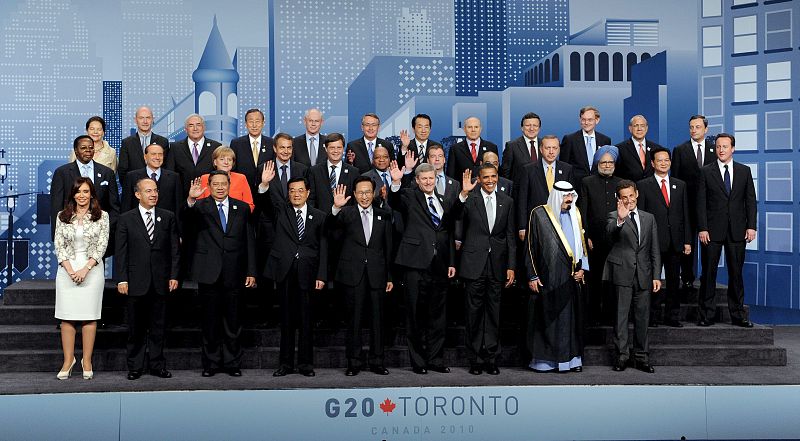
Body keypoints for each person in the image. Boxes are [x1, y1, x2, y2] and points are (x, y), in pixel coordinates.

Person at [388, 158, 472, 374]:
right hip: (415, 263)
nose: (428, 182)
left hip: (440, 264)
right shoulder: (409, 196)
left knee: (438, 316)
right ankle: (419, 361)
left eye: (431, 178)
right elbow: (395, 201)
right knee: (415, 315)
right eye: (423, 178)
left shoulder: (444, 199)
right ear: (416, 180)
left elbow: (450, 228)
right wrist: (396, 183)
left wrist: (462, 195)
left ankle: (435, 359)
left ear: (436, 179)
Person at [185, 171, 257, 377]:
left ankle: (232, 363)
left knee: (233, 322)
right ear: (209, 185)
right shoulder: (200, 207)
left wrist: (251, 270)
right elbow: (186, 222)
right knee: (210, 322)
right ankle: (211, 364)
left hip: (235, 271)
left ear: (229, 184)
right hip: (209, 272)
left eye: (223, 184)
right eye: (214, 184)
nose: (219, 187)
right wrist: (191, 199)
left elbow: (249, 240)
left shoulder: (242, 208)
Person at [259, 171, 327, 377]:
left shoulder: (319, 216)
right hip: (285, 273)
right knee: (286, 321)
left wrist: (321, 276)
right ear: (287, 194)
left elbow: (323, 248)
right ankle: (286, 365)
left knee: (306, 322)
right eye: (292, 191)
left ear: (308, 193)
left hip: (309, 274)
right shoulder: (281, 211)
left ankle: (306, 365)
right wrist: (264, 185)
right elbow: (264, 203)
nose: (296, 194)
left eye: (300, 191)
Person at [115, 178, 180, 380]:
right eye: (148, 191)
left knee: (158, 327)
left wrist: (174, 275)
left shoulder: (167, 217)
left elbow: (174, 250)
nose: (153, 194)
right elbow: (121, 251)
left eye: (155, 190)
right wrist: (122, 279)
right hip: (135, 282)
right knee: (136, 327)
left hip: (161, 281)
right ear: (137, 194)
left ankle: (157, 365)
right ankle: (135, 366)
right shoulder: (126, 219)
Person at [330, 178, 393, 376]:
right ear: (355, 194)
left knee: (378, 321)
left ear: (373, 194)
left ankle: (377, 361)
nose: (365, 196)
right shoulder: (346, 213)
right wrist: (335, 209)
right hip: (352, 275)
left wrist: (390, 276)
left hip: (377, 274)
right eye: (360, 192)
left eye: (368, 192)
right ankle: (354, 362)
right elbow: (331, 235)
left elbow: (388, 249)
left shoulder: (384, 215)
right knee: (354, 320)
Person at [525, 181, 588, 373]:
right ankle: (546, 362)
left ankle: (572, 361)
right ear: (557, 196)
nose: (569, 199)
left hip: (571, 277)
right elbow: (530, 247)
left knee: (571, 321)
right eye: (566, 196)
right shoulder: (539, 214)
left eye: (571, 196)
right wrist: (532, 275)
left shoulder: (575, 213)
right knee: (548, 320)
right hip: (548, 277)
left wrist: (583, 268)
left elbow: (582, 244)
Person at [458, 163, 515, 375]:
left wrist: (511, 266)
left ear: (497, 177)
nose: (490, 180)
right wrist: (463, 194)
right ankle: (475, 359)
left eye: (493, 176)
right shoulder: (469, 200)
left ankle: (491, 358)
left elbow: (509, 235)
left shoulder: (507, 201)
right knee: (473, 314)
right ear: (479, 179)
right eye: (486, 177)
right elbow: (454, 215)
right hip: (474, 264)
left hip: (498, 266)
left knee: (494, 313)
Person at [696, 133, 757, 328]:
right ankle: (707, 314)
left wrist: (751, 226)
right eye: (718, 147)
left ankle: (738, 315)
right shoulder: (706, 171)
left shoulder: (744, 171)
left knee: (736, 274)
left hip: (738, 230)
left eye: (725, 146)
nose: (721, 150)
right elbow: (701, 203)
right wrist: (703, 228)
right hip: (712, 230)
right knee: (708, 274)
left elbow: (750, 201)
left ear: (733, 149)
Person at [53, 178, 109, 380]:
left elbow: (101, 246)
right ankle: (68, 361)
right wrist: (70, 270)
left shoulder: (102, 216)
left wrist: (85, 269)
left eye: (86, 191)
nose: (82, 195)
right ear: (73, 194)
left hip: (91, 269)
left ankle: (87, 360)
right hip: (67, 269)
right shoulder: (62, 216)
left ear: (92, 194)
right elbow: (59, 245)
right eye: (78, 192)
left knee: (88, 316)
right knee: (66, 316)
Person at [603, 180, 661, 373]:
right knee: (620, 318)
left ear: (636, 193)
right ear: (618, 199)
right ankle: (622, 357)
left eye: (631, 195)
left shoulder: (649, 218)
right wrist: (620, 220)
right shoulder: (613, 216)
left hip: (644, 275)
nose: (629, 200)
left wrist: (656, 275)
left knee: (642, 319)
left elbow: (654, 250)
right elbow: (610, 235)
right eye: (624, 197)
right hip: (622, 274)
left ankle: (642, 358)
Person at [636, 147, 691, 328]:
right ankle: (652, 316)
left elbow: (685, 215)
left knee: (674, 281)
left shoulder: (680, 185)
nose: (664, 163)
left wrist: (687, 240)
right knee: (653, 280)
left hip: (675, 242)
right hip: (653, 243)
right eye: (660, 160)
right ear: (652, 163)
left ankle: (672, 316)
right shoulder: (643, 185)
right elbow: (641, 215)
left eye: (667, 160)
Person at [670, 115, 716, 291]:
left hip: (709, 207)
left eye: (697, 127)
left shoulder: (714, 150)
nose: (694, 130)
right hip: (687, 206)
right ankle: (687, 277)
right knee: (687, 244)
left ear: (706, 129)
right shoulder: (680, 150)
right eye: (691, 127)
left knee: (708, 244)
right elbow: (675, 179)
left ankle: (706, 277)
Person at [577, 145, 621, 325]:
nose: (607, 165)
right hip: (594, 240)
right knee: (594, 280)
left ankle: (612, 315)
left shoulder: (621, 182)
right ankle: (593, 315)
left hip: (616, 240)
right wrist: (585, 236)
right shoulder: (587, 182)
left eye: (610, 162)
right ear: (597, 163)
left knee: (614, 280)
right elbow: (583, 211)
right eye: (604, 162)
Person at [51, 135, 119, 242]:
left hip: (99, 236)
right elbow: (56, 206)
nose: (88, 150)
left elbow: (114, 206)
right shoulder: (62, 173)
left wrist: (106, 230)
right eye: (83, 148)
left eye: (91, 147)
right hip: (70, 235)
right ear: (76, 151)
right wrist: (58, 235)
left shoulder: (107, 173)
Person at [515, 135, 574, 240]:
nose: (551, 152)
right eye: (548, 148)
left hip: (561, 222)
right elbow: (522, 199)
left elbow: (571, 198)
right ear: (541, 149)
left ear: (559, 149)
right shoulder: (528, 170)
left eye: (554, 148)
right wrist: (522, 227)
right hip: (535, 222)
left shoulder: (567, 169)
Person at [166, 113, 221, 196]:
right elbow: (170, 174)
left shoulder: (216, 147)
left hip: (209, 197)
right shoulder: (175, 147)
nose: (195, 128)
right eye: (191, 125)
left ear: (204, 127)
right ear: (186, 129)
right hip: (182, 198)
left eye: (198, 125)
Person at [121, 143, 183, 215]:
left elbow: (178, 207)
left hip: (167, 224)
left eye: (160, 154)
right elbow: (126, 207)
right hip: (138, 224)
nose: (157, 157)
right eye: (153, 154)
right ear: (145, 156)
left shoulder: (174, 177)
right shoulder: (132, 177)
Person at [559, 106, 612, 189]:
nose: (586, 123)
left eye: (590, 120)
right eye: (583, 119)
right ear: (580, 120)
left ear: (597, 120)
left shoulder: (605, 140)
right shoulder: (570, 139)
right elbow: (563, 166)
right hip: (576, 186)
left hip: (598, 186)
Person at [118, 106, 170, 187]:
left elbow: (167, 169)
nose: (145, 121)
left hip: (158, 190)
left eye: (148, 118)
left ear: (153, 119)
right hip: (135, 190)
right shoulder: (127, 143)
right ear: (135, 120)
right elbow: (122, 171)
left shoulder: (163, 142)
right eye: (141, 118)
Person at [307, 132, 358, 214]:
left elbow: (355, 201)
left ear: (343, 149)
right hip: (321, 221)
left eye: (339, 147)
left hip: (345, 221)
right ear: (326, 149)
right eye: (332, 148)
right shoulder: (314, 171)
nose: (336, 151)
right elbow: (311, 200)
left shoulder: (354, 172)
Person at [197, 146, 255, 212]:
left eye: (229, 160)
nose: (226, 162)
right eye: (222, 159)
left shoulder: (241, 178)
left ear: (233, 163)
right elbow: (199, 206)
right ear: (215, 162)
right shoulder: (205, 178)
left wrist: (236, 217)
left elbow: (250, 205)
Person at [231, 108, 274, 190]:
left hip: (267, 191)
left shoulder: (271, 143)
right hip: (242, 190)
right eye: (251, 121)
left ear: (263, 123)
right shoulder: (236, 143)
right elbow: (233, 169)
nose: (254, 125)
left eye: (257, 121)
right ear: (246, 124)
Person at [614, 115, 661, 182]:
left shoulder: (656, 148)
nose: (639, 129)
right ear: (630, 128)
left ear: (646, 128)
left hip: (651, 190)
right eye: (636, 125)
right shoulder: (619, 149)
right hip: (630, 190)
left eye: (642, 126)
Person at [501, 112, 542, 183]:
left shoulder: (545, 145)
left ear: (539, 128)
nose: (531, 128)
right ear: (522, 128)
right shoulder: (512, 146)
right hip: (519, 191)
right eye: (528, 125)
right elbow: (505, 173)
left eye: (535, 125)